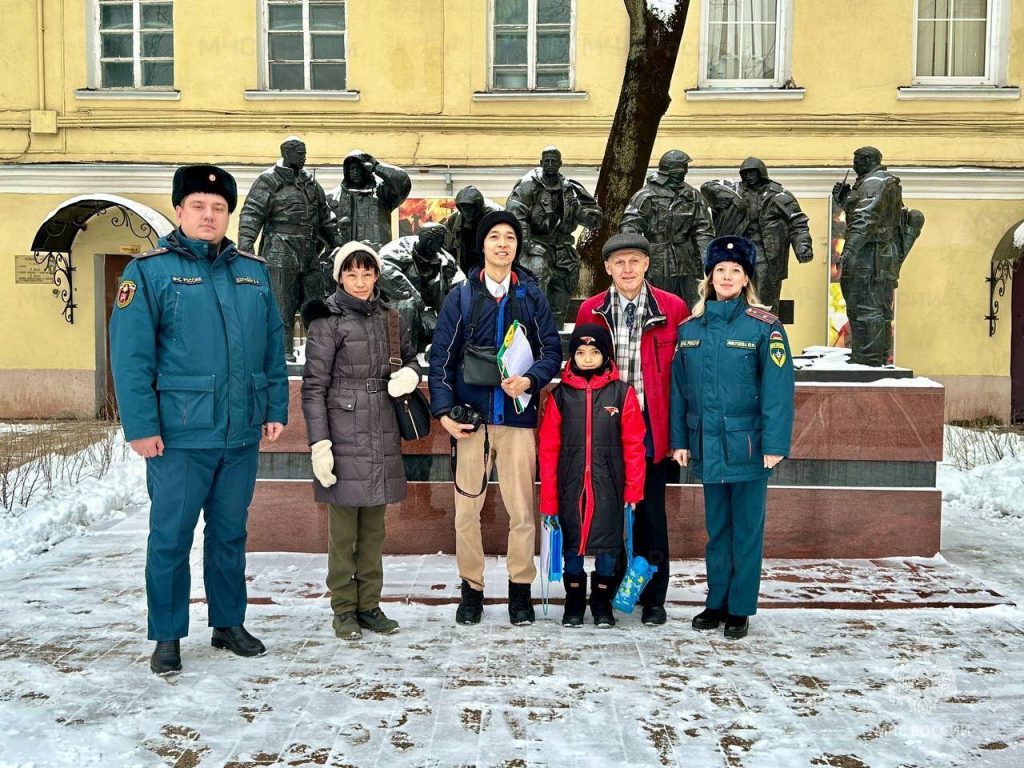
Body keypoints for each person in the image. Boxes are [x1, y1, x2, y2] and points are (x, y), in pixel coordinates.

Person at [109, 164, 289, 675]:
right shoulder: (148, 272)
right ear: (179, 210)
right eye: (198, 206)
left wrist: (274, 407)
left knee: (230, 533)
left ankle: (228, 622)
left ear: (228, 214)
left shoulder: (252, 272)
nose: (209, 215)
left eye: (218, 208)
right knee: (171, 536)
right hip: (180, 435)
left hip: (240, 433)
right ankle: (167, 633)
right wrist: (141, 427)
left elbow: (273, 344)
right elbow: (131, 357)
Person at [428, 210, 563, 626]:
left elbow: (552, 352)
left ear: (516, 246)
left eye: (510, 237)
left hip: (518, 422)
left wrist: (531, 379)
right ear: (483, 245)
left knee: (522, 511)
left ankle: (519, 591)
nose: (503, 244)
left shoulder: (532, 296)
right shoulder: (462, 296)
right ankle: (472, 590)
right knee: (467, 510)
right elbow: (441, 360)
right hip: (471, 423)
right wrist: (444, 412)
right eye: (494, 237)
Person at [670, 235, 795, 640]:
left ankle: (740, 607)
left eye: (735, 272)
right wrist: (680, 440)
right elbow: (679, 391)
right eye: (720, 271)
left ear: (745, 280)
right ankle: (716, 602)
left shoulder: (765, 327)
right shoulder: (690, 328)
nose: (726, 277)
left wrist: (775, 445)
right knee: (717, 530)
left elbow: (778, 389)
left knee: (746, 532)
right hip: (706, 445)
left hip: (748, 448)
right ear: (709, 278)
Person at [300, 241, 420, 641]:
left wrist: (411, 375)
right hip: (343, 431)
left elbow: (409, 357)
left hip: (382, 428)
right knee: (343, 534)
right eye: (351, 274)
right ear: (339, 276)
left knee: (373, 531)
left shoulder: (390, 317)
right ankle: (344, 610)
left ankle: (369, 604)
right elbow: (313, 387)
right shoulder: (326, 321)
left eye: (367, 273)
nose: (360, 281)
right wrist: (320, 444)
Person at [575, 233, 690, 625]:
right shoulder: (592, 310)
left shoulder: (672, 308)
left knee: (650, 517)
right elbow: (580, 371)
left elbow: (683, 380)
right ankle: (616, 587)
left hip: (652, 431)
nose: (627, 269)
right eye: (619, 262)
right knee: (611, 514)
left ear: (646, 265)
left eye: (635, 261)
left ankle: (653, 597)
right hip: (606, 431)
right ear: (607, 267)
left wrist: (679, 436)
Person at [538, 324, 646, 628]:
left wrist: (633, 490)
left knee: (608, 542)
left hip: (609, 486)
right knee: (571, 542)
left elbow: (634, 444)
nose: (587, 358)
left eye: (595, 352)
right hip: (570, 486)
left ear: (606, 355)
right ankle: (573, 599)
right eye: (581, 352)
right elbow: (548, 448)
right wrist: (549, 497)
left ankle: (600, 600)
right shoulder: (560, 396)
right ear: (572, 357)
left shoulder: (621, 393)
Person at [238, 137, 342, 362]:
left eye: (304, 152)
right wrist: (245, 249)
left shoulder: (311, 185)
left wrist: (340, 247)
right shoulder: (269, 180)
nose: (303, 156)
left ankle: (320, 351)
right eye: (298, 152)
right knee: (281, 303)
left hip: (308, 250)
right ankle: (282, 352)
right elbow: (251, 214)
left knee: (315, 303)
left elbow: (326, 219)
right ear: (285, 153)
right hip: (279, 248)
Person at [700, 158, 814, 315]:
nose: (749, 177)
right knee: (731, 293)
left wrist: (803, 246)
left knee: (764, 299)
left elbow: (798, 222)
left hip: (766, 253)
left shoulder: (779, 195)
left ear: (762, 173)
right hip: (738, 252)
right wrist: (732, 197)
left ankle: (766, 331)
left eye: (753, 172)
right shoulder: (734, 189)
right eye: (745, 173)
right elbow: (707, 187)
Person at [506, 146, 603, 327]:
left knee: (562, 293)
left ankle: (556, 334)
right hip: (536, 245)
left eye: (554, 161)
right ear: (541, 163)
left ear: (560, 164)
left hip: (562, 249)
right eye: (547, 161)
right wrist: (526, 244)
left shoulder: (571, 188)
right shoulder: (528, 185)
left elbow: (596, 220)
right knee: (536, 276)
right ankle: (533, 329)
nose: (550, 164)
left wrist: (579, 211)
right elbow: (515, 214)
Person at [831, 147, 906, 366]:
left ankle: (867, 359)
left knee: (864, 304)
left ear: (867, 160)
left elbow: (866, 218)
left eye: (857, 161)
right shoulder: (877, 181)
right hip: (878, 252)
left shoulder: (875, 182)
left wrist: (849, 250)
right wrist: (845, 200)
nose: (854, 165)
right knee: (877, 306)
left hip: (869, 253)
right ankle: (874, 357)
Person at [619, 149, 714, 309]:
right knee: (659, 305)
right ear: (672, 171)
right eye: (682, 168)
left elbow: (704, 228)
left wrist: (708, 256)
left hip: (688, 261)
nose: (685, 171)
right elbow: (629, 225)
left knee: (693, 306)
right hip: (657, 262)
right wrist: (635, 256)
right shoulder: (646, 195)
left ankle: (689, 333)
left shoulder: (692, 195)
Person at [379, 222, 465, 349]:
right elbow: (384, 271)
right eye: (440, 242)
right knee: (408, 306)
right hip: (398, 305)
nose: (442, 246)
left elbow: (459, 282)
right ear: (430, 243)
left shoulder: (444, 259)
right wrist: (413, 294)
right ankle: (406, 355)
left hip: (430, 309)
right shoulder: (396, 250)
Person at [327, 150, 412, 249]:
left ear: (367, 170)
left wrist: (376, 167)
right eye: (352, 168)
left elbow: (403, 182)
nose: (356, 172)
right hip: (342, 260)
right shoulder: (331, 197)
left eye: (360, 168)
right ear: (346, 171)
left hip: (377, 258)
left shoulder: (382, 193)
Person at [442, 185, 502, 274]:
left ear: (478, 206)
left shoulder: (495, 218)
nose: (466, 212)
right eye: (463, 208)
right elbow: (447, 248)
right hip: (465, 268)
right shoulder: (454, 221)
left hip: (490, 267)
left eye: (469, 208)